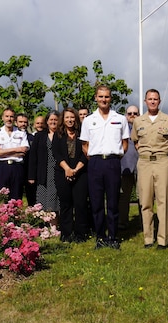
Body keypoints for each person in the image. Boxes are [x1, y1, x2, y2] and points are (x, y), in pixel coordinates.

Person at [80, 85, 130, 250]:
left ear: (111, 98)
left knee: (113, 201)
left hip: (113, 162)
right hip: (95, 163)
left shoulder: (120, 118)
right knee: (96, 202)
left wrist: (116, 156)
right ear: (96, 98)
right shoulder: (88, 120)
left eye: (107, 97)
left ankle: (113, 237)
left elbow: (125, 143)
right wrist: (94, 157)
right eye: (101, 96)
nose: (104, 99)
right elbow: (85, 144)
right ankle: (100, 237)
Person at [131, 89, 168, 249]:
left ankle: (162, 239)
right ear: (145, 101)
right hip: (144, 163)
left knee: (163, 200)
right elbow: (135, 141)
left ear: (159, 101)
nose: (152, 101)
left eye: (155, 99)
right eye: (150, 99)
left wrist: (166, 152)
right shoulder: (139, 121)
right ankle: (148, 238)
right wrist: (143, 153)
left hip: (162, 162)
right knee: (145, 201)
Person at [52, 108, 89, 242]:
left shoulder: (82, 133)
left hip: (81, 172)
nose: (70, 120)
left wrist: (76, 170)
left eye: (72, 117)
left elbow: (87, 153)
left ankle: (81, 234)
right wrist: (67, 169)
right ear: (63, 119)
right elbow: (56, 154)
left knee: (80, 204)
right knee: (66, 204)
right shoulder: (58, 134)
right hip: (62, 172)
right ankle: (66, 234)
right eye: (67, 117)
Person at [0, 108, 29, 200]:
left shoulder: (21, 133)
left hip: (17, 168)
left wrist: (2, 152)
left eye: (11, 116)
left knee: (16, 198)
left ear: (14, 118)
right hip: (2, 168)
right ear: (2, 118)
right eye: (7, 116)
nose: (9, 119)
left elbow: (23, 152)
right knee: (1, 198)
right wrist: (16, 149)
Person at [27, 111, 61, 213]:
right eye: (51, 120)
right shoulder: (39, 135)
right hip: (43, 171)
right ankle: (42, 225)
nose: (53, 122)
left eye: (56, 120)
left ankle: (54, 224)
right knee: (42, 198)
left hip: (58, 171)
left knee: (56, 199)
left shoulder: (62, 135)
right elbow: (33, 156)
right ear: (47, 121)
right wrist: (31, 175)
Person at [119, 105, 140, 230]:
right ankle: (122, 222)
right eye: (130, 113)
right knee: (123, 198)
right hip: (125, 167)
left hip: (141, 168)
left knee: (142, 197)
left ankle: (143, 223)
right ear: (126, 115)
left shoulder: (143, 129)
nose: (132, 115)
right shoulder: (121, 129)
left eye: (135, 113)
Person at [16, 113, 36, 206]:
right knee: (16, 196)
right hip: (16, 169)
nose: (23, 124)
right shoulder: (12, 137)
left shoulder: (32, 138)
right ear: (16, 123)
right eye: (20, 122)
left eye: (25, 122)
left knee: (32, 197)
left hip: (29, 171)